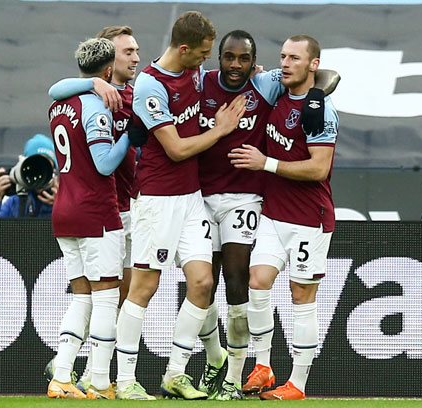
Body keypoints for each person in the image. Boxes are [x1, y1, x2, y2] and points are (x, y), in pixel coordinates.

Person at [196, 30, 340, 400]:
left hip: (310, 216)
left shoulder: (321, 111)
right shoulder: (274, 94)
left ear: (313, 64)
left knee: (301, 295)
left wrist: (267, 164)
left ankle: (298, 383)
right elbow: (318, 79)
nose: (286, 64)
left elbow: (319, 169)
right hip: (274, 214)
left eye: (295, 58)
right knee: (257, 282)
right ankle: (263, 365)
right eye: (284, 57)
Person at [115, 11, 245, 400]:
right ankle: (124, 380)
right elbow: (176, 148)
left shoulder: (191, 72)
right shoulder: (151, 86)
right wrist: (220, 129)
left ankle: (175, 373)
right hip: (157, 199)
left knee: (203, 283)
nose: (206, 62)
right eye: (203, 54)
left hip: (191, 199)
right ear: (184, 48)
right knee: (144, 287)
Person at [45, 25, 153, 400]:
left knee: (83, 297)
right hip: (97, 211)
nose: (134, 58)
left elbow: (56, 91)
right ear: (108, 70)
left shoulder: (60, 104)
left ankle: (61, 373)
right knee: (108, 298)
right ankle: (100, 381)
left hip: (65, 211)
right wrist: (130, 137)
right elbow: (105, 164)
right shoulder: (97, 106)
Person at [0, 134, 58, 218]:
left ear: (54, 171)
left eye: (45, 167)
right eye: (35, 166)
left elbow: (72, 228)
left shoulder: (64, 198)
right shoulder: (16, 201)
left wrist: (60, 206)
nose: (40, 172)